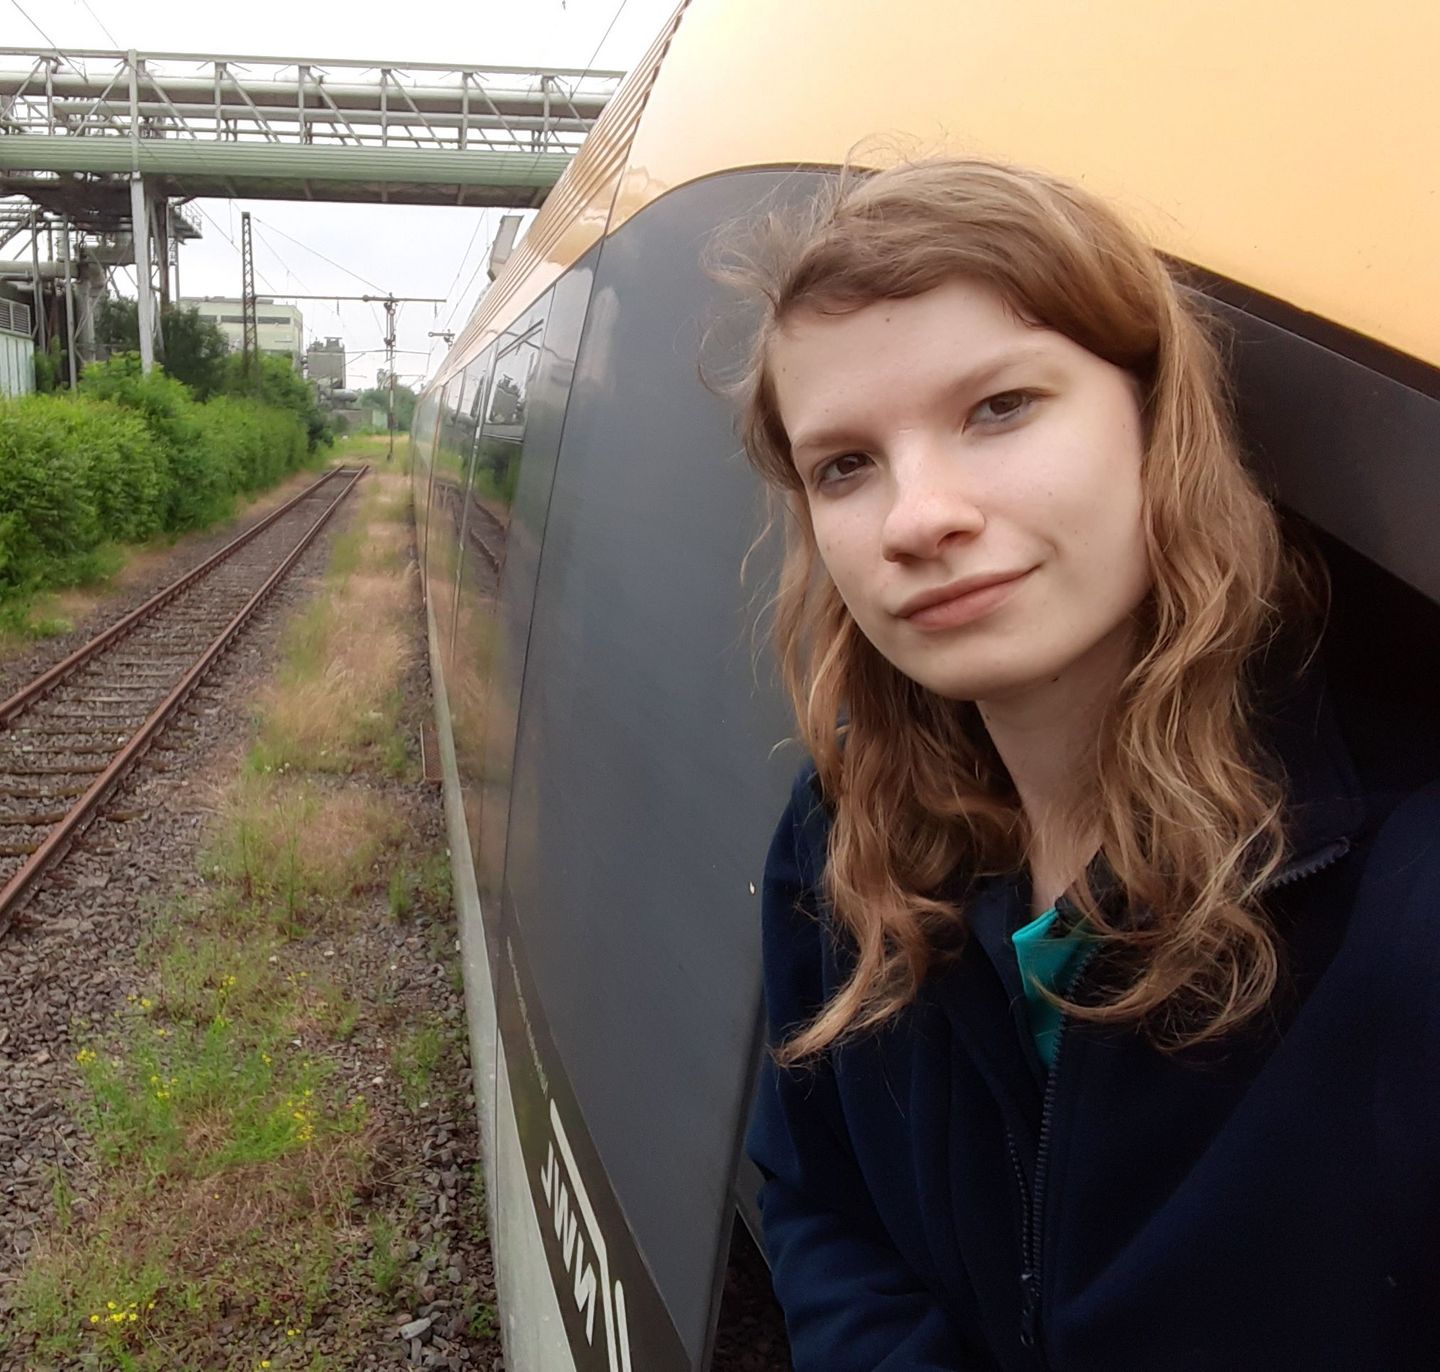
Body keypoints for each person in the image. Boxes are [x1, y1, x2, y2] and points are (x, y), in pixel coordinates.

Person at [726, 160, 1440, 1369]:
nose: (917, 517)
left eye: (999, 407)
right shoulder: (847, 829)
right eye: (845, 464)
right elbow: (817, 1197)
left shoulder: (1394, 880)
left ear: (1158, 421)